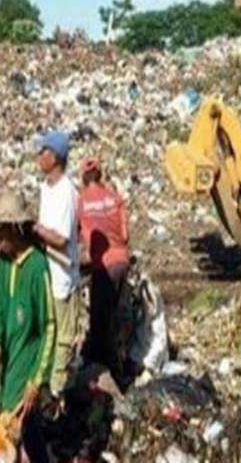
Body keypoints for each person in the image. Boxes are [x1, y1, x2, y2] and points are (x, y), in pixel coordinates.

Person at [0, 190, 55, 463]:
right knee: (10, 425)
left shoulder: (37, 267)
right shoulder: (3, 263)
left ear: (16, 230)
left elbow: (49, 326)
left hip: (28, 363)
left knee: (26, 425)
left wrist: (37, 381)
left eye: (2, 230)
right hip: (9, 360)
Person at [32, 130, 80, 399]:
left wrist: (37, 230)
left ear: (56, 157)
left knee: (64, 336)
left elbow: (61, 238)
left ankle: (57, 390)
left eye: (44, 152)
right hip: (47, 271)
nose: (39, 156)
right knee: (47, 328)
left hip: (63, 275)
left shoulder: (66, 192)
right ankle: (45, 379)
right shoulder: (46, 189)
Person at [77, 156, 130, 376]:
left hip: (103, 266)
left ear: (83, 178)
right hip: (122, 261)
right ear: (101, 175)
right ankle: (120, 365)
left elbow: (76, 237)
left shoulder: (81, 202)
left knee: (100, 321)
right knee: (117, 317)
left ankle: (101, 372)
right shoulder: (115, 197)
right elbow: (126, 236)